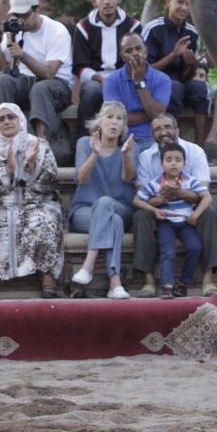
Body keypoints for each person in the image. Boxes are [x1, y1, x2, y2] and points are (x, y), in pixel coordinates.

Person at [0, 102, 66, 299]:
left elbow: (51, 180)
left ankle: (46, 275)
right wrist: (8, 171)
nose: (6, 121)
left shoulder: (40, 146)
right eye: (1, 119)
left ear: (20, 119)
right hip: (0, 205)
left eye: (10, 117)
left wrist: (31, 166)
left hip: (36, 203)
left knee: (46, 219)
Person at [128, 113, 217, 296]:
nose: (163, 132)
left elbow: (204, 193)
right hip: (159, 210)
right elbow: (141, 197)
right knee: (140, 217)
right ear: (152, 134)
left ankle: (208, 278)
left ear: (177, 129)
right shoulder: (146, 156)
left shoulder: (195, 151)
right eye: (157, 129)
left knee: (210, 213)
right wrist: (160, 201)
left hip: (190, 207)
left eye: (168, 127)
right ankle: (148, 281)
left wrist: (181, 193)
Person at [0, 0, 76, 159]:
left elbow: (49, 73)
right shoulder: (13, 30)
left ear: (37, 11)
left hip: (57, 86)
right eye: (17, 15)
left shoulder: (56, 31)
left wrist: (22, 55)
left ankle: (40, 145)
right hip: (26, 81)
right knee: (3, 82)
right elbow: (2, 69)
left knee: (40, 88)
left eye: (25, 15)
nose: (21, 20)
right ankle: (3, 141)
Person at [66, 102, 137, 299]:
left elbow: (128, 178)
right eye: (109, 117)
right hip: (84, 211)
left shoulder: (130, 147)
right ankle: (115, 282)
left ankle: (87, 267)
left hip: (120, 207)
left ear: (124, 125)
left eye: (119, 118)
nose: (114, 122)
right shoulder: (84, 143)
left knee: (106, 203)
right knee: (112, 221)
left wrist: (125, 155)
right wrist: (95, 154)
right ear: (100, 121)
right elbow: (80, 179)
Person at [142, 0, 212, 151]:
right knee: (174, 87)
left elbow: (186, 76)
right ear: (168, 2)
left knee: (201, 88)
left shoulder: (192, 33)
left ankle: (199, 147)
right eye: (180, 2)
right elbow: (144, 70)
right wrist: (173, 55)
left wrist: (193, 64)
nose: (184, 8)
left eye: (188, 4)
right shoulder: (153, 28)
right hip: (154, 84)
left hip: (180, 82)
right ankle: (170, 145)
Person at [72, 0, 142, 132]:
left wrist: (116, 80)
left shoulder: (133, 26)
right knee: (91, 91)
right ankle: (81, 141)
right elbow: (80, 67)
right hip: (96, 80)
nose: (107, 2)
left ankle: (129, 140)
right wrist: (101, 80)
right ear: (94, 1)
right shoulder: (83, 27)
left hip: (125, 77)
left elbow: (138, 61)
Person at [102, 33, 173, 143]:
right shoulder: (111, 80)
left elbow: (156, 114)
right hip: (120, 138)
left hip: (150, 138)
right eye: (128, 51)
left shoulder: (163, 79)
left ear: (146, 51)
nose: (135, 53)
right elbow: (114, 118)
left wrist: (139, 82)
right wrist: (150, 115)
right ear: (122, 56)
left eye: (138, 48)